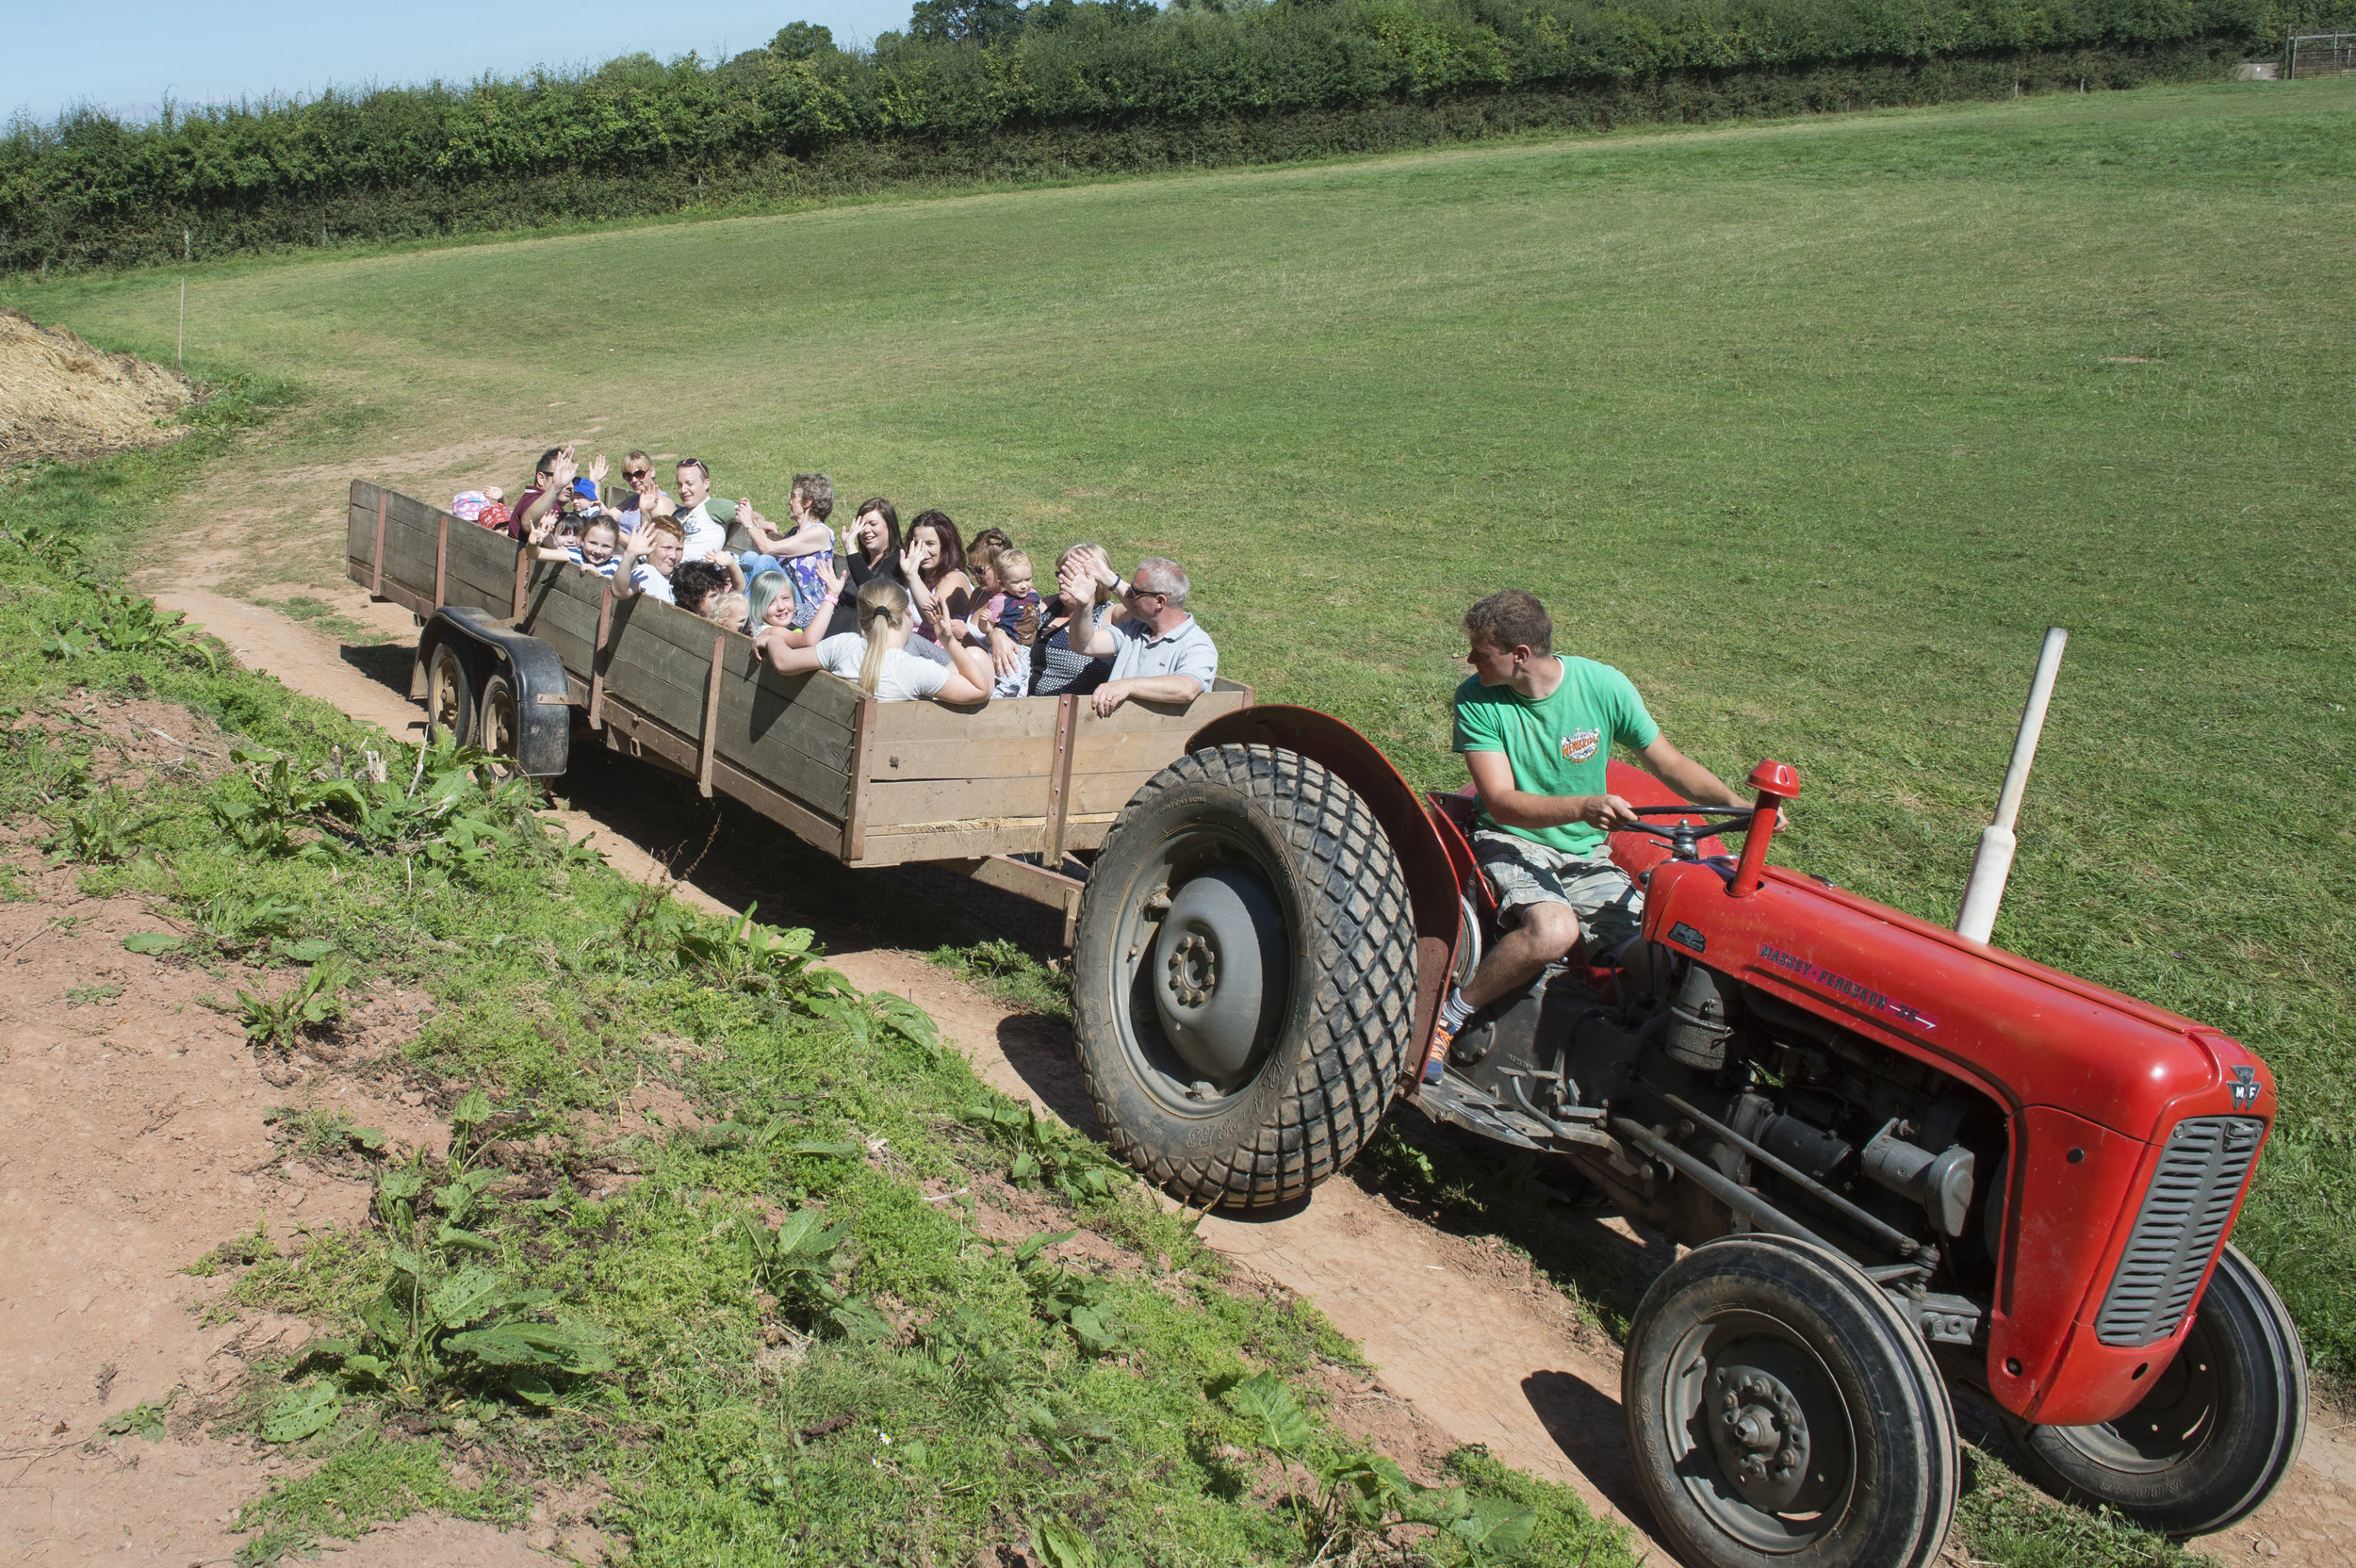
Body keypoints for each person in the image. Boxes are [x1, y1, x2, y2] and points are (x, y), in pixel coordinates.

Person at [1427, 589, 1752, 1070]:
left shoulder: (1602, 685)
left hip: (1585, 856)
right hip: (1510, 842)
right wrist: (1582, 805)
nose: (1469, 658)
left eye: (1480, 650)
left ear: (1520, 656)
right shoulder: (1476, 698)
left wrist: (1737, 804)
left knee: (1662, 961)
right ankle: (1452, 1013)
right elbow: (1500, 803)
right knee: (1554, 930)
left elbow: (1670, 762)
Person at [756, 573, 993, 704]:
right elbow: (981, 690)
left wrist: (770, 637)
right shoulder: (914, 669)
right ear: (908, 613)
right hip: (900, 756)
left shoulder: (842, 646)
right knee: (979, 657)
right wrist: (949, 641)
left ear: (862, 618)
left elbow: (784, 662)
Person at [1055, 549, 1218, 716]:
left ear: (1160, 601)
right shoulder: (1135, 628)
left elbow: (1187, 688)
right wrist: (1084, 605)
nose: (1128, 597)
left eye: (1136, 592)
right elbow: (1085, 645)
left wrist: (1127, 686)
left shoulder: (1197, 643)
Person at [731, 473, 836, 627]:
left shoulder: (821, 532)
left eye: (793, 496)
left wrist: (748, 523)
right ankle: (734, 611)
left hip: (808, 611)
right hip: (785, 600)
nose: (789, 502)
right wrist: (760, 528)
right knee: (750, 557)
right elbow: (767, 558)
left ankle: (745, 620)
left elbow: (767, 550)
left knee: (764, 559)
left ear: (807, 502)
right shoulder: (795, 532)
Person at [1027, 543, 1115, 698]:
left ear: (1095, 579)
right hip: (1029, 708)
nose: (1061, 579)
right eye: (1060, 573)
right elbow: (1011, 623)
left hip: (1079, 714)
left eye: (1069, 574)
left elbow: (1141, 608)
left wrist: (1110, 579)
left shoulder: (1109, 614)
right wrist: (998, 634)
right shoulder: (1050, 606)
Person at [672, 458, 741, 562]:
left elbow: (749, 514)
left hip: (695, 573)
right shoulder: (678, 514)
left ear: (706, 483)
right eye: (680, 485)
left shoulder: (715, 506)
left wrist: (763, 523)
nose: (683, 490)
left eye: (689, 484)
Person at [614, 517, 688, 604]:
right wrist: (630, 555)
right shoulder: (647, 572)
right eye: (666, 548)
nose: (673, 556)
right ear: (649, 547)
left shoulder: (674, 578)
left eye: (679, 549)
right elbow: (619, 592)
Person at [614, 451, 673, 529]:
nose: (634, 480)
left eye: (639, 474)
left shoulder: (661, 502)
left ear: (652, 472)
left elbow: (658, 538)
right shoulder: (635, 499)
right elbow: (609, 516)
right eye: (628, 476)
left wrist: (616, 534)